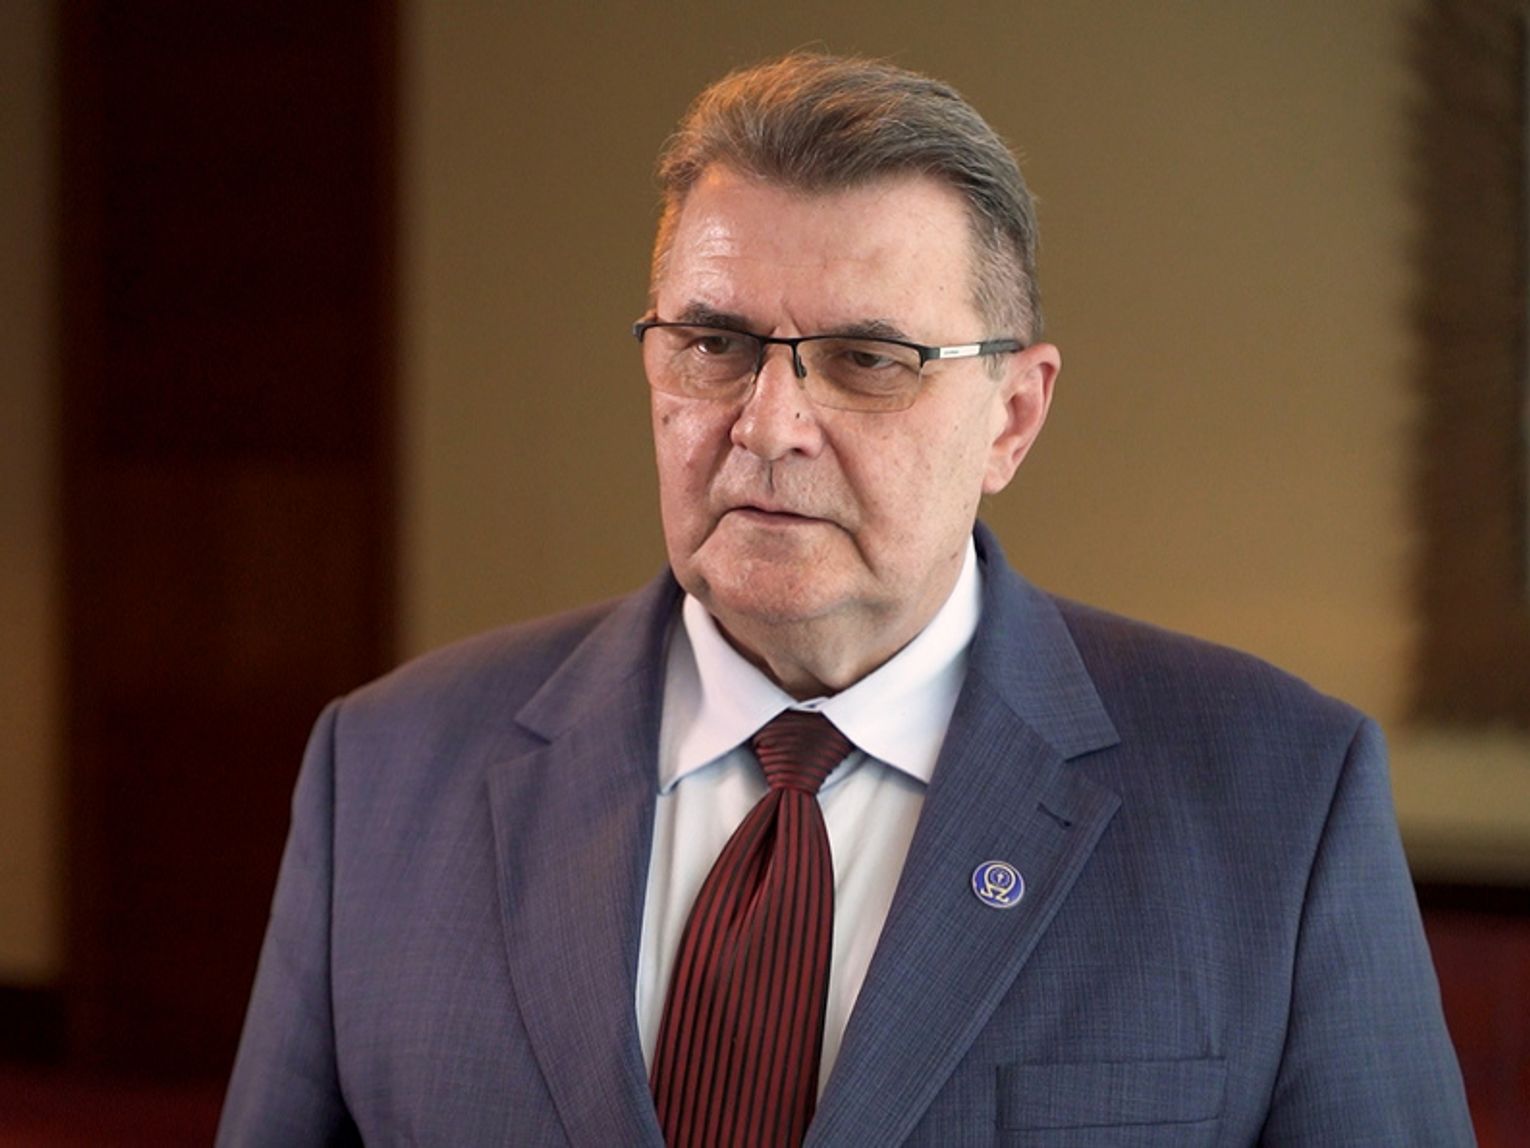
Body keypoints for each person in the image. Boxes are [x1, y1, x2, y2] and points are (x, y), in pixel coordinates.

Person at [218, 53, 1474, 1146]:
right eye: (714, 345)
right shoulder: (385, 771)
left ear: (1013, 417)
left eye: (869, 359)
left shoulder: (1277, 797)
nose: (769, 424)